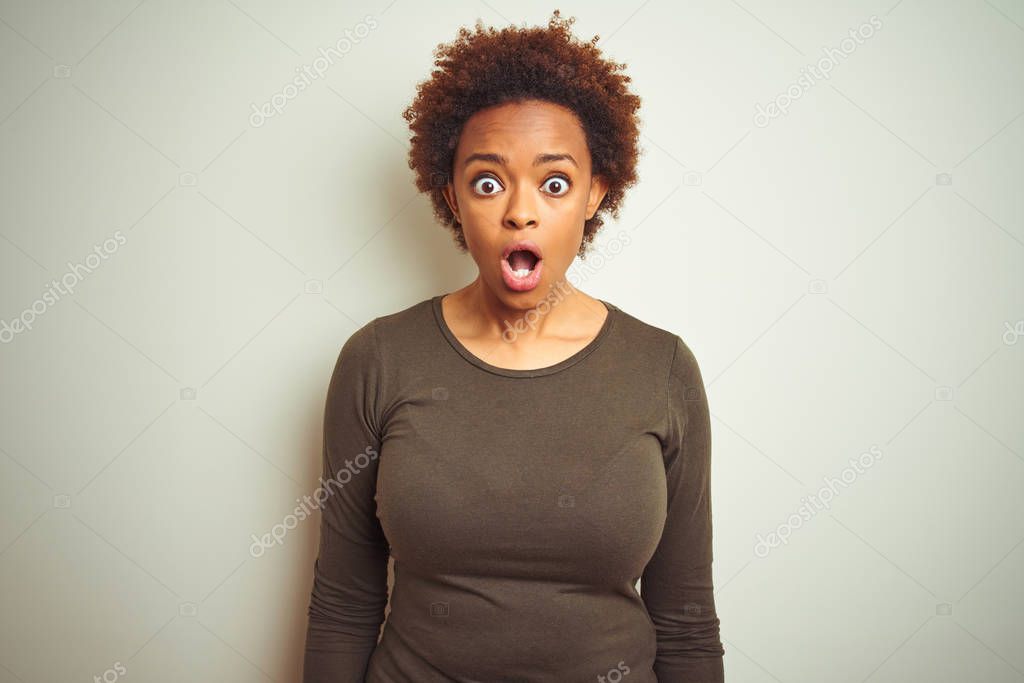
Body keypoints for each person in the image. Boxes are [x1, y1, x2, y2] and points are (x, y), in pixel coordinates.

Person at [302, 10, 725, 682]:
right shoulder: (377, 360)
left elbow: (686, 620)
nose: (519, 212)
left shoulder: (664, 369)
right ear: (451, 197)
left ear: (595, 192)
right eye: (487, 182)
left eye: (554, 183)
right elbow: (344, 604)